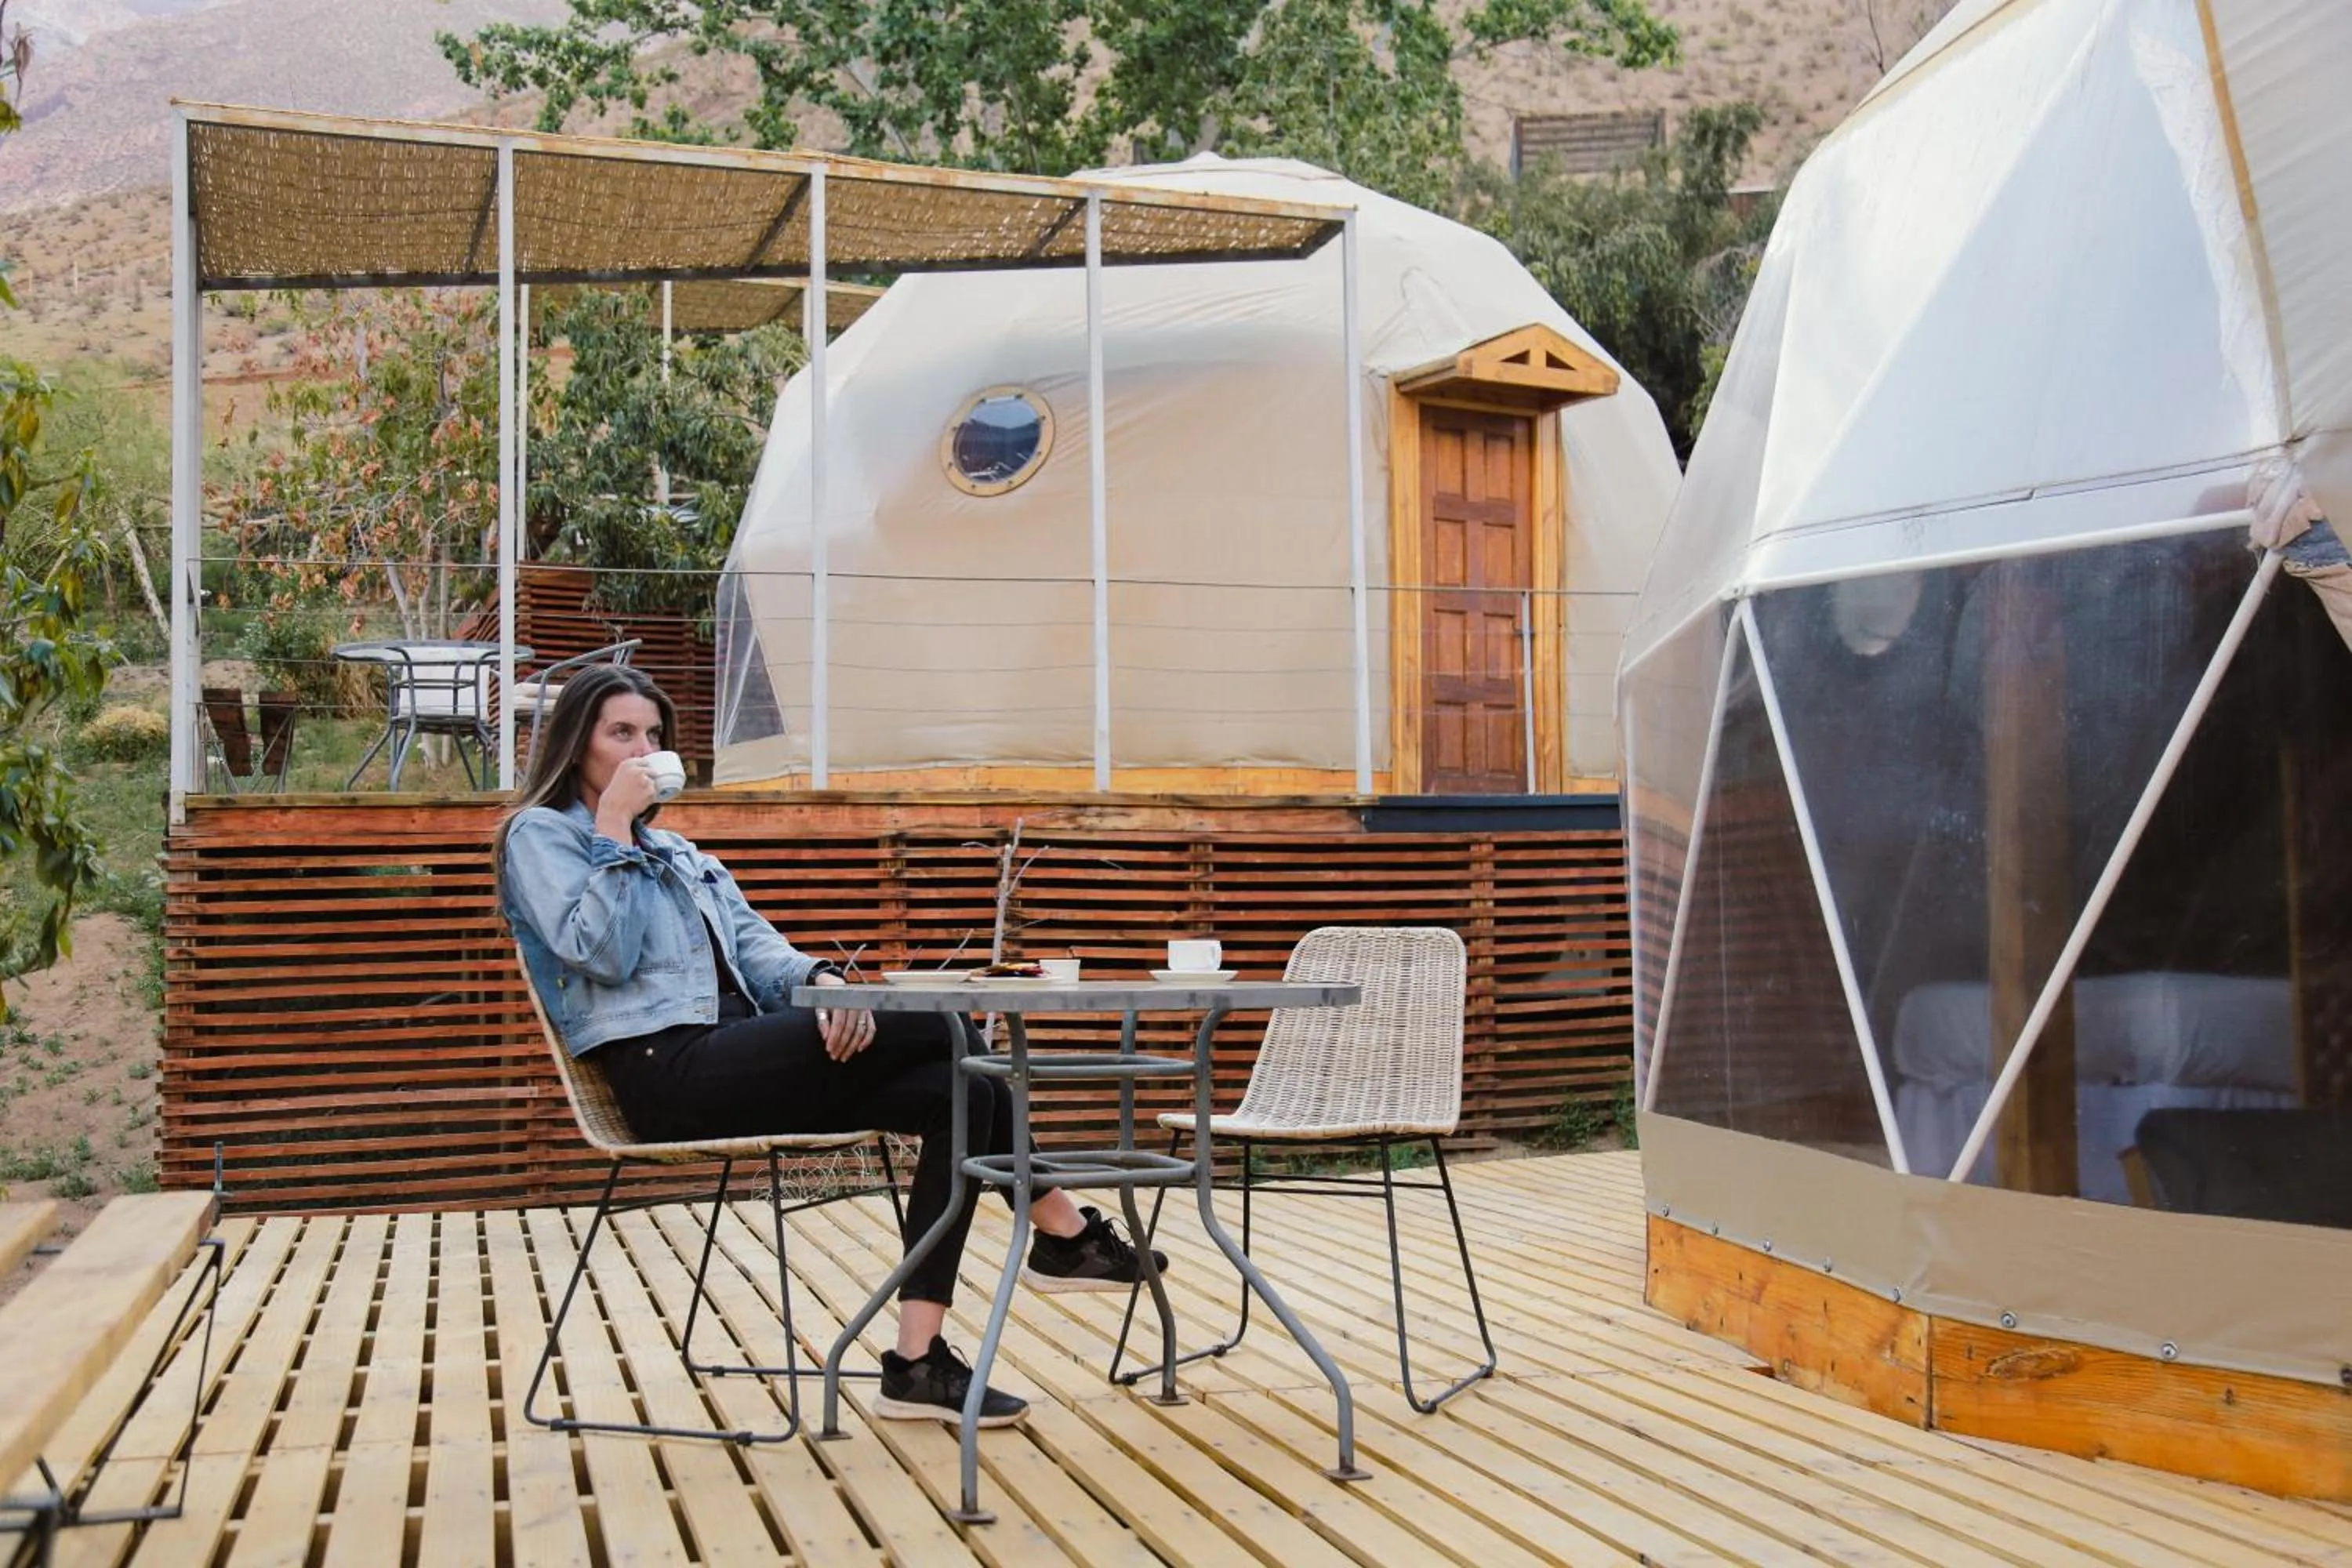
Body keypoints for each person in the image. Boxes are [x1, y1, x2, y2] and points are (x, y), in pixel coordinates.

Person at [497, 664, 1164, 1426]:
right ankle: (1062, 1226)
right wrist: (613, 824)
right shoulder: (541, 835)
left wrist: (825, 980)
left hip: (735, 1053)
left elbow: (759, 950)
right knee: (944, 1021)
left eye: (653, 734)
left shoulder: (682, 853)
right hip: (661, 1072)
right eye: (622, 733)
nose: (642, 748)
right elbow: (601, 952)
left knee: (968, 1089)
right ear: (576, 742)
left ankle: (917, 1362)